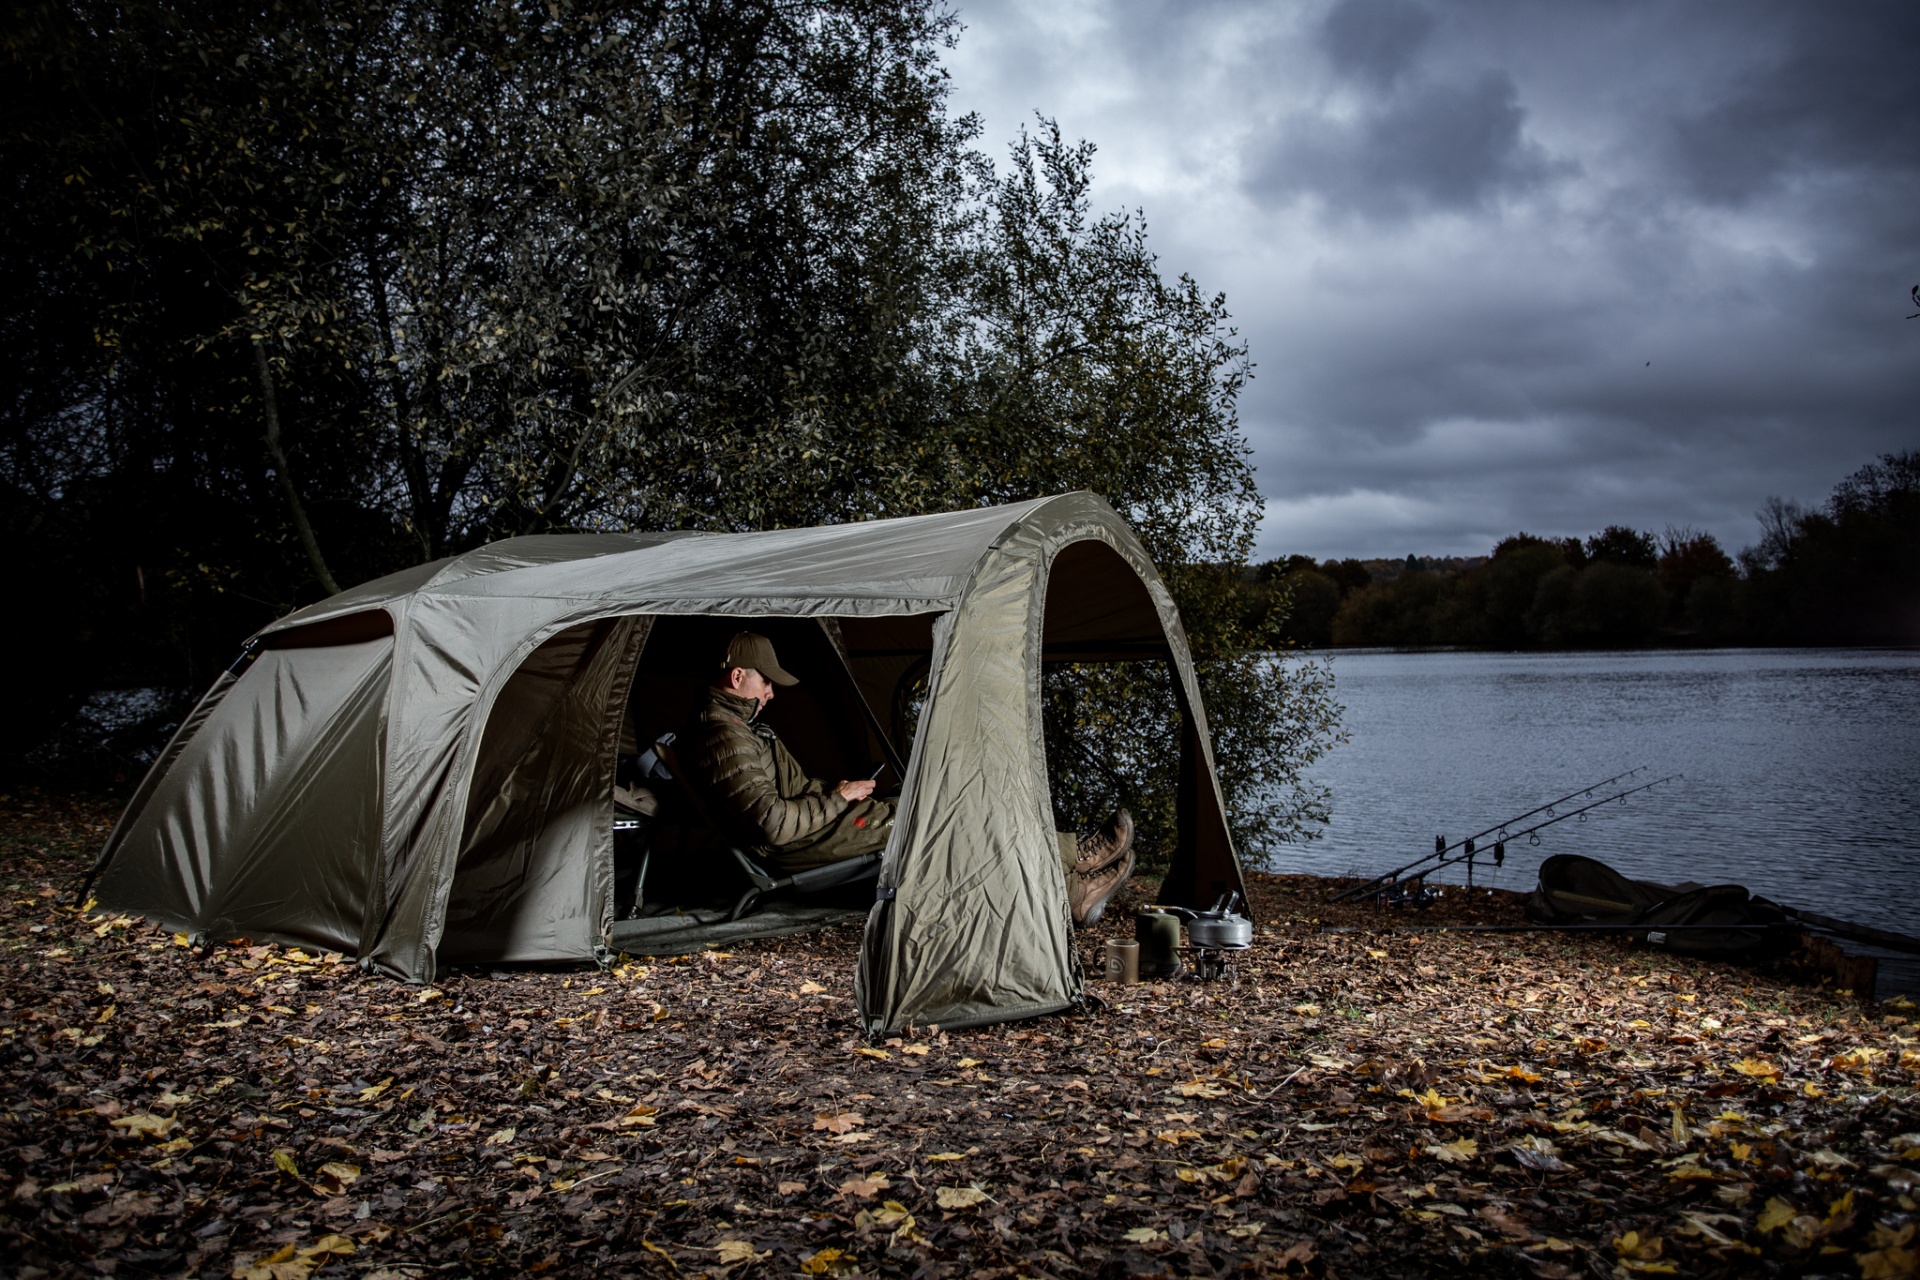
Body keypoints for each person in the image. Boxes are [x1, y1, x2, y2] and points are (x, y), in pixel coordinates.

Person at [681, 631, 1136, 925]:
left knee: (941, 807)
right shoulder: (725, 739)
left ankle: (1072, 867)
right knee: (947, 823)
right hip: (801, 845)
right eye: (766, 682)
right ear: (738, 676)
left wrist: (841, 792)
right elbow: (772, 825)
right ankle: (1073, 872)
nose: (771, 692)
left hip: (820, 825)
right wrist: (839, 798)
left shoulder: (737, 729)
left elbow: (781, 797)